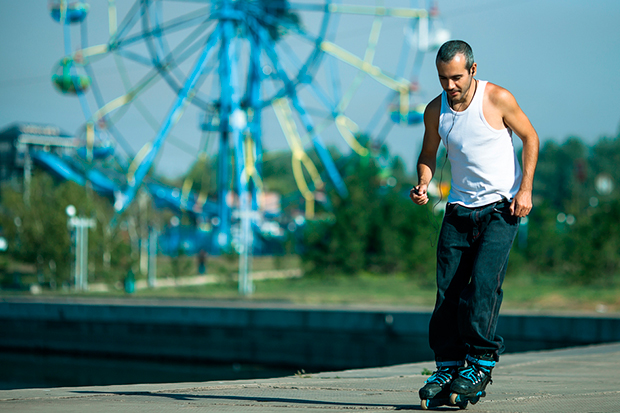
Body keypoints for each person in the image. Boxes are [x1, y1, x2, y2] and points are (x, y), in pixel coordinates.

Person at [410, 40, 539, 408]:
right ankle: (448, 366)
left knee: (482, 287)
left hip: (501, 209)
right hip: (458, 211)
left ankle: (480, 364)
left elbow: (531, 138)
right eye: (442, 79)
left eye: (455, 78)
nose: (449, 86)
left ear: (472, 71)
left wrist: (525, 190)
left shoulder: (497, 99)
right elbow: (427, 153)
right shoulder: (435, 110)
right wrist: (423, 182)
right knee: (447, 291)